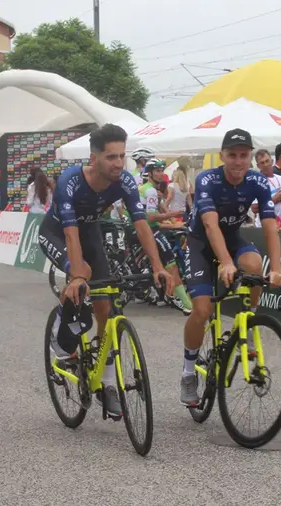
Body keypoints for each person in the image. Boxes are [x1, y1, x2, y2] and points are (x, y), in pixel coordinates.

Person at [37, 124, 174, 418]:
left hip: (90, 231)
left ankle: (108, 383)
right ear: (94, 157)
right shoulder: (69, 182)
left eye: (122, 156)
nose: (118, 163)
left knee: (105, 304)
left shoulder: (124, 181)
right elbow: (70, 234)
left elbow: (141, 224)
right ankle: (62, 326)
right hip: (58, 232)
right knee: (83, 272)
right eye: (111, 157)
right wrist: (75, 276)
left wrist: (158, 267)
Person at [180, 128, 281, 406]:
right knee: (202, 309)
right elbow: (210, 224)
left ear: (250, 156)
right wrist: (225, 262)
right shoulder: (208, 179)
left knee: (254, 265)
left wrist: (276, 268)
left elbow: (271, 226)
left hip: (233, 238)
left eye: (243, 155)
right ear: (222, 156)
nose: (238, 161)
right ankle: (188, 372)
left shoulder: (258, 182)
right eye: (232, 155)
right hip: (201, 243)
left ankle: (248, 323)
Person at [136, 159, 192, 313]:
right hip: (148, 229)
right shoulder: (151, 191)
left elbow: (162, 210)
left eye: (162, 170)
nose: (161, 174)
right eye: (158, 171)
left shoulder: (153, 190)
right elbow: (151, 217)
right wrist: (174, 215)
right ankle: (186, 304)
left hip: (146, 228)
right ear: (150, 173)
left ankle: (162, 294)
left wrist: (176, 223)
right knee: (171, 264)